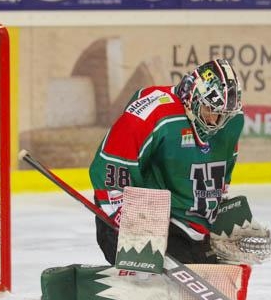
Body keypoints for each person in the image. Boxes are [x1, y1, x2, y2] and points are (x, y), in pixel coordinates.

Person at [89, 58, 243, 265]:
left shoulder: (231, 122)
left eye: (223, 115)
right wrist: (130, 224)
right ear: (193, 98)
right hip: (138, 215)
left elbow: (223, 173)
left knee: (207, 269)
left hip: (186, 225)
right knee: (160, 275)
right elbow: (108, 170)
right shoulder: (152, 114)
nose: (217, 123)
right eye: (211, 111)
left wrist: (223, 211)